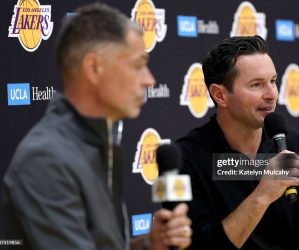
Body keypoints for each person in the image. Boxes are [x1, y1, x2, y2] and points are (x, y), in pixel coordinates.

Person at [2, 3, 191, 250]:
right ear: (94, 68)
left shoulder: (97, 141)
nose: (149, 79)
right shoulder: (46, 159)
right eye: (137, 65)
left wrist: (147, 244)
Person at [168, 36, 299, 249]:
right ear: (220, 95)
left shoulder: (293, 143)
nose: (271, 94)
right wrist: (262, 196)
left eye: (273, 81)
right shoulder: (185, 159)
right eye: (256, 85)